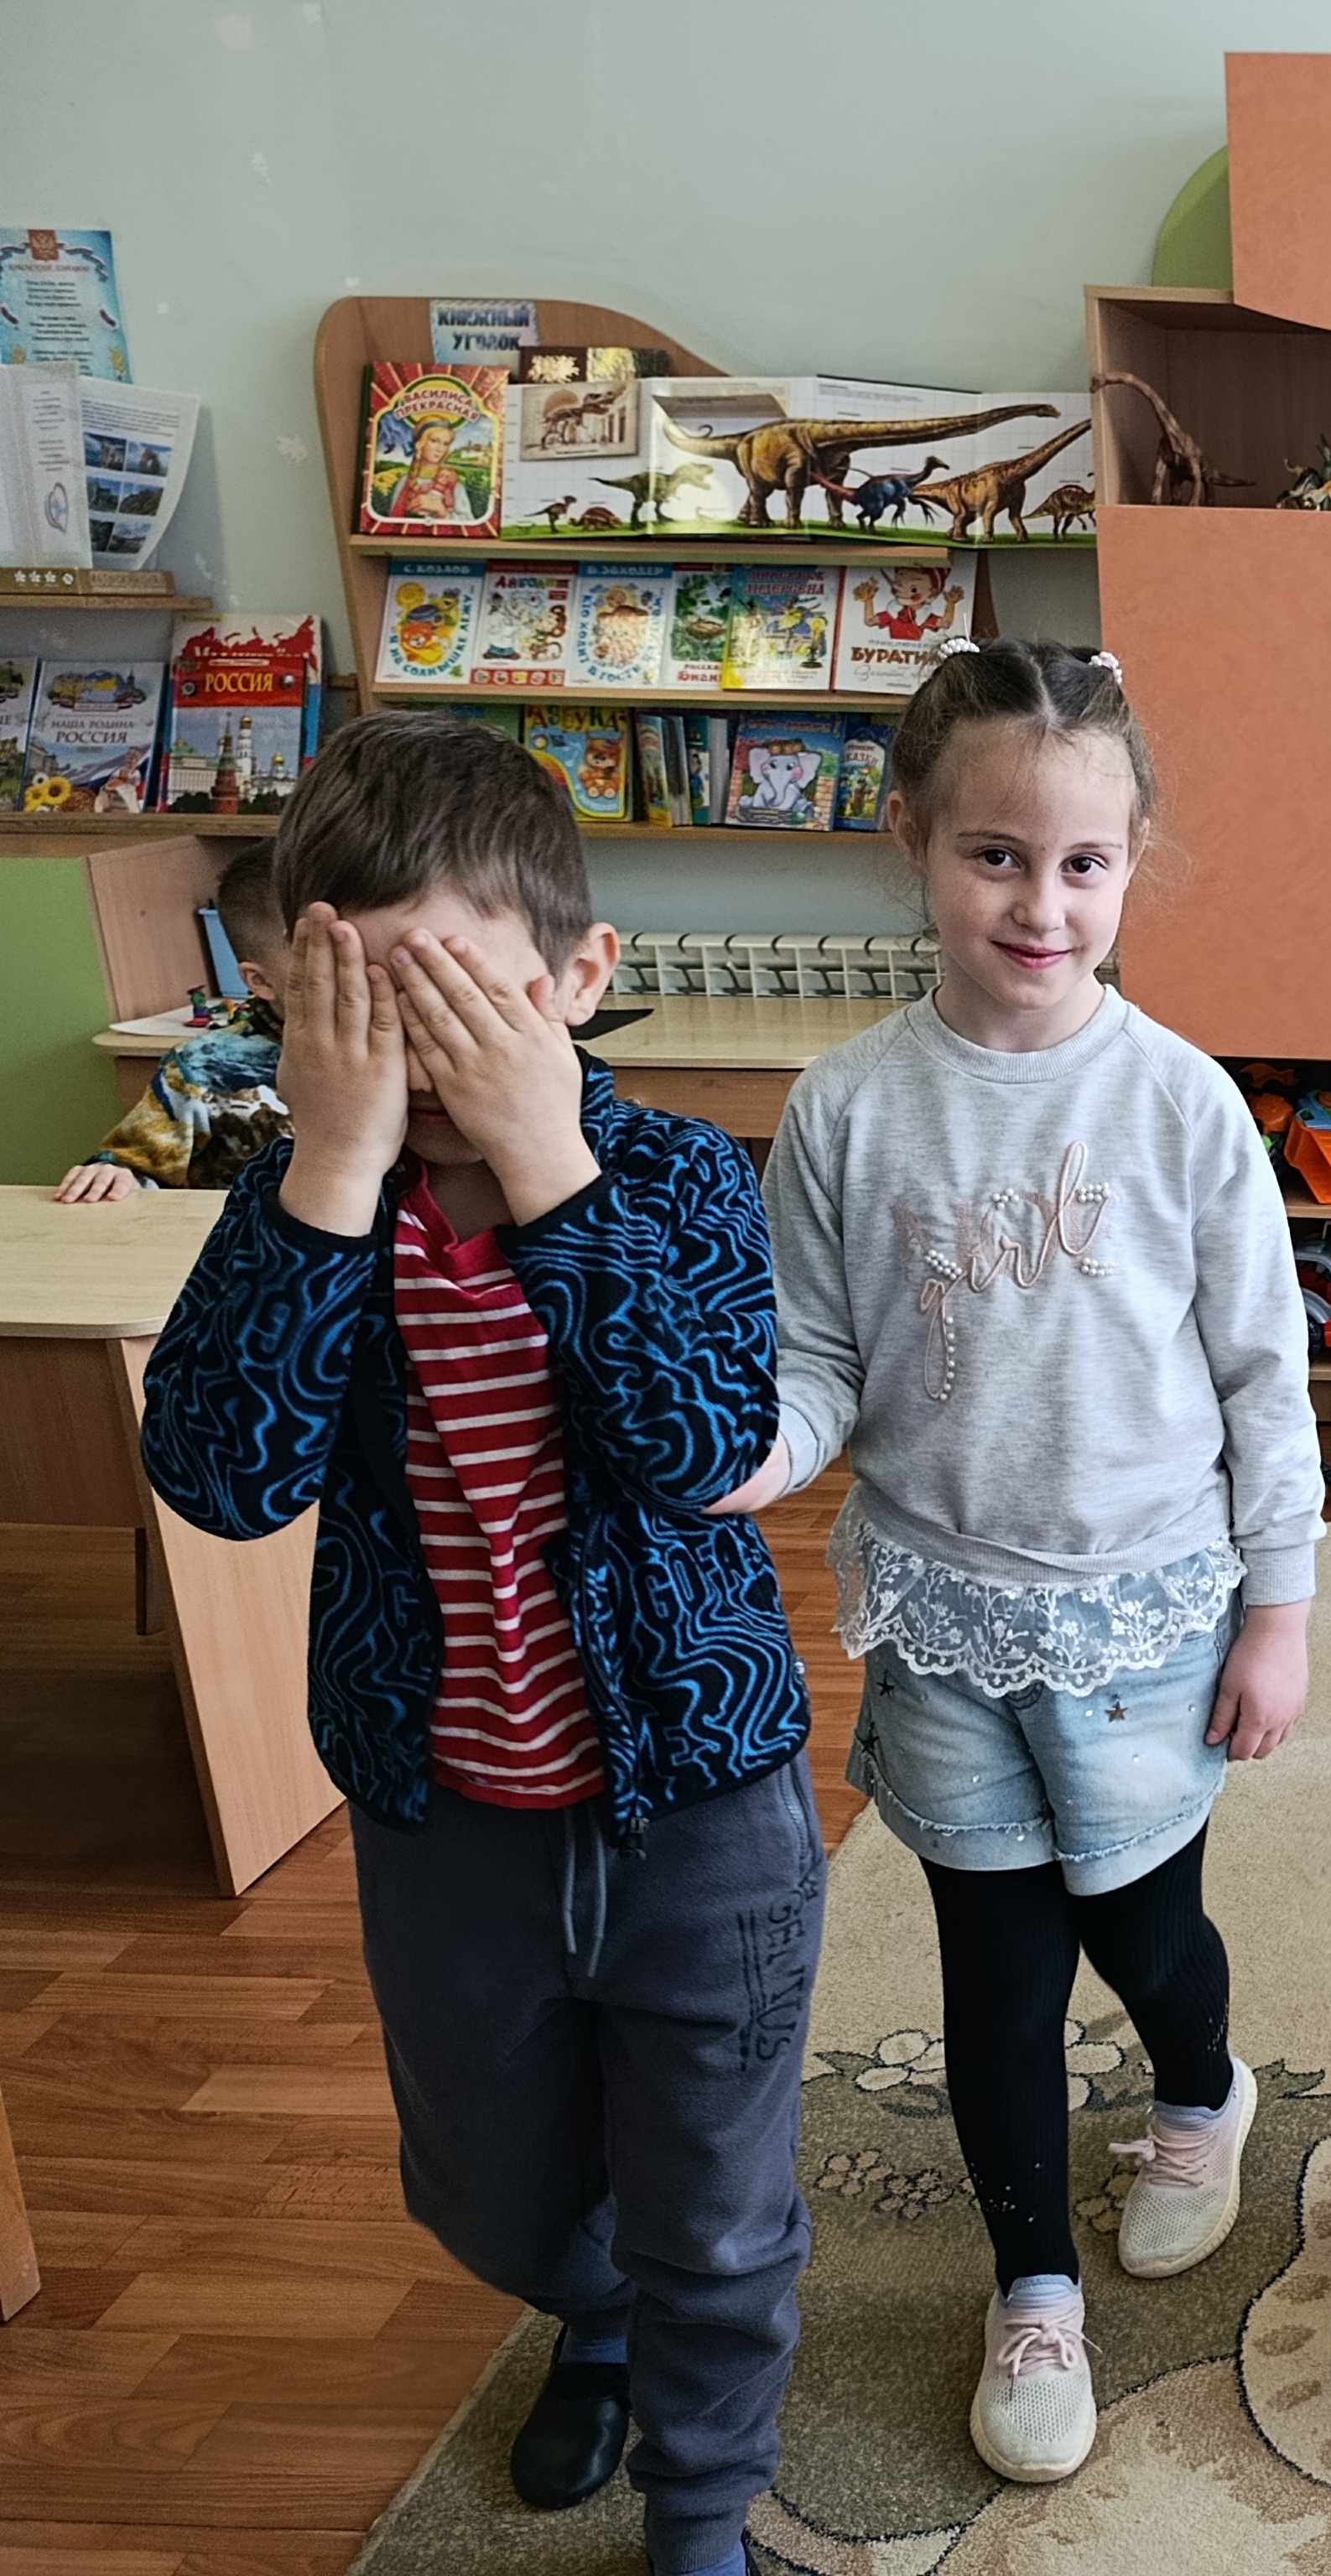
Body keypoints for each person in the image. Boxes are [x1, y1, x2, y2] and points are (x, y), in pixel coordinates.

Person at [136, 715, 819, 2576]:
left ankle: (702, 2505)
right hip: (447, 1824)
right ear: (290, 1008)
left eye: (457, 1009)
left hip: (699, 1807)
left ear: (579, 981)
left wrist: (545, 1163)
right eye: (363, 1013)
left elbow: (698, 1443)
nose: (417, 1065)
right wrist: (328, 1171)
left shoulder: (674, 1180)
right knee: (491, 2191)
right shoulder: (303, 1208)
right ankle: (588, 2314)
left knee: (716, 2204)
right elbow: (224, 1476)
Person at [714, 638, 1321, 2487]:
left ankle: (1203, 2091)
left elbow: (1264, 1373)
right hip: (942, 1613)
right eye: (996, 856)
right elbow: (816, 1354)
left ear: (1131, 863)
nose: (1041, 905)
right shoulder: (844, 1106)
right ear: (910, 838)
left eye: (1083, 863)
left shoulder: (1182, 1104)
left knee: (1142, 1928)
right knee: (994, 1969)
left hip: (1149, 1607)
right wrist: (762, 1454)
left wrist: (1280, 1608)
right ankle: (1033, 2287)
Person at [55, 845, 292, 1198]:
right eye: (324, 951)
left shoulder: (386, 1052)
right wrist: (116, 1174)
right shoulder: (203, 1068)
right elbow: (134, 1165)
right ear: (260, 981)